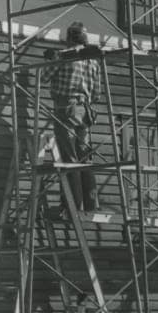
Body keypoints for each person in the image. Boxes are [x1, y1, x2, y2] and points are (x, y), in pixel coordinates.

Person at [48, 21, 102, 214]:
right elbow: (96, 94)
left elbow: (46, 75)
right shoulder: (92, 61)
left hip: (66, 108)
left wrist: (52, 59)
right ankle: (91, 204)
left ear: (69, 39)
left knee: (69, 158)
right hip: (85, 111)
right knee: (84, 157)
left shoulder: (66, 57)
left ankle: (73, 205)